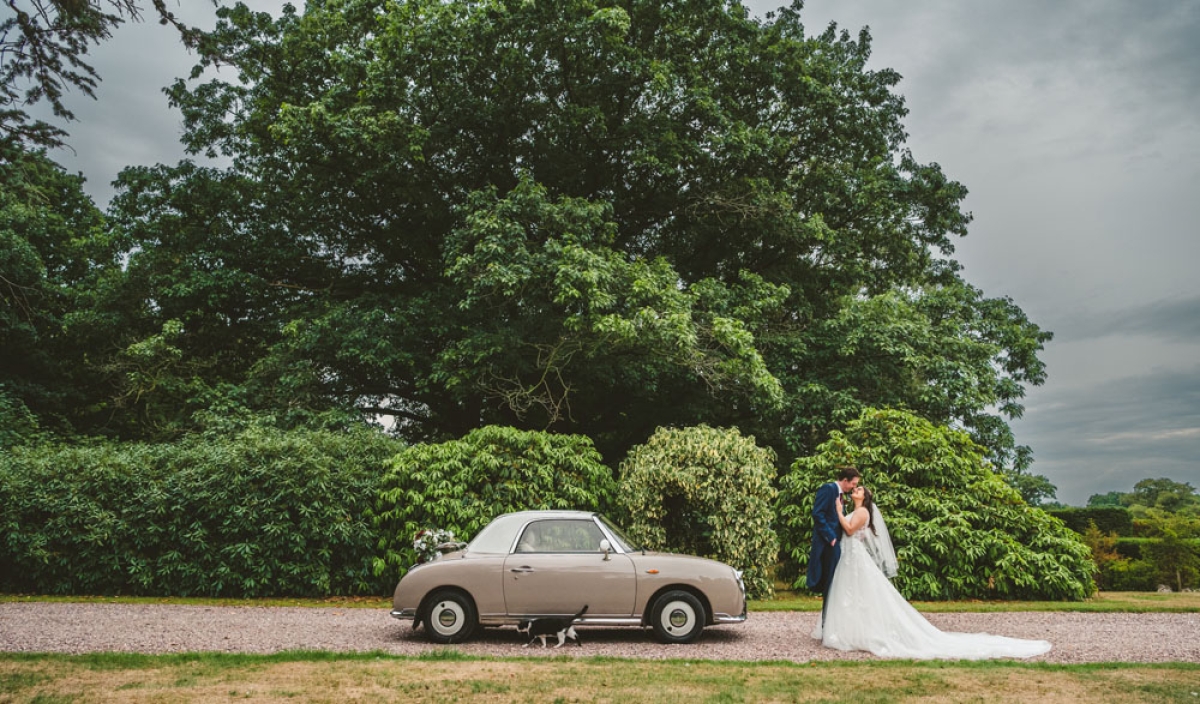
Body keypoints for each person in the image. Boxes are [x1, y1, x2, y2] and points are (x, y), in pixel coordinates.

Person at [815, 485, 1052, 660]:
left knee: (859, 595)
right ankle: (849, 631)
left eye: (859, 490)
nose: (855, 490)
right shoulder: (857, 511)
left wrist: (837, 511)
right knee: (852, 596)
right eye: (855, 488)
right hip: (850, 557)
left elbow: (848, 528)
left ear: (865, 498)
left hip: (854, 558)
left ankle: (859, 633)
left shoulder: (862, 513)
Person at [807, 466, 861, 630]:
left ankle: (831, 624)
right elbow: (818, 514)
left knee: (835, 584)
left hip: (837, 545)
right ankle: (827, 625)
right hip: (828, 545)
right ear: (845, 481)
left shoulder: (840, 495)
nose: (854, 487)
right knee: (830, 584)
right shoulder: (829, 489)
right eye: (853, 483)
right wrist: (831, 538)